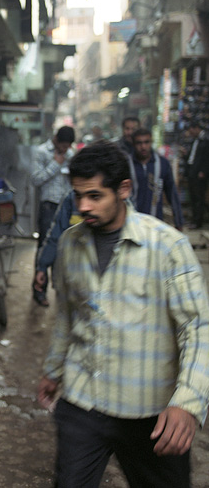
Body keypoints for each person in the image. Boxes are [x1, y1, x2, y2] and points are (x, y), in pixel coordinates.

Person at [37, 140, 209, 488]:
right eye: (78, 195)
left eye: (95, 196)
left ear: (124, 190)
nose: (83, 205)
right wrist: (54, 370)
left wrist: (188, 402)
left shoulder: (168, 246)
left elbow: (197, 328)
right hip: (84, 402)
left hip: (149, 410)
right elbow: (69, 315)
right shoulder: (72, 243)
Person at [30, 126, 75, 307]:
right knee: (45, 246)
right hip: (48, 205)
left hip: (67, 206)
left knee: (67, 246)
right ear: (55, 139)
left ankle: (63, 291)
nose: (65, 150)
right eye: (63, 145)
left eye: (67, 146)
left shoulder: (71, 155)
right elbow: (35, 179)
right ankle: (39, 291)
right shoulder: (41, 152)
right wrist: (56, 164)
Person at [129, 128, 183, 229]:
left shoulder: (162, 164)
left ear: (151, 142)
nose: (143, 146)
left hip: (155, 222)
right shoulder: (127, 164)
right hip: (132, 223)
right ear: (133, 144)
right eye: (139, 143)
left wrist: (178, 221)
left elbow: (172, 193)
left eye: (146, 142)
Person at [185, 121, 209, 229]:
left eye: (191, 131)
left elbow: (206, 158)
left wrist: (203, 171)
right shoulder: (195, 141)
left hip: (199, 174)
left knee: (199, 198)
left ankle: (198, 222)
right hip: (192, 172)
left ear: (196, 128)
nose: (190, 133)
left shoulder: (205, 140)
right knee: (193, 197)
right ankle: (194, 220)